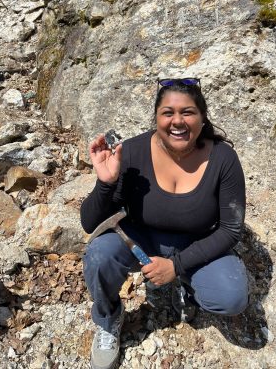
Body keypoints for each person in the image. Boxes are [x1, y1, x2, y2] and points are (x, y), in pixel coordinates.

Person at [81, 78, 249, 369]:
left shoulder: (224, 159)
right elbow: (89, 223)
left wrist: (177, 266)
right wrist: (105, 184)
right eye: (168, 113)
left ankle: (186, 285)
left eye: (188, 112)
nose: (178, 121)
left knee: (231, 296)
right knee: (99, 255)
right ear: (156, 117)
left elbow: (231, 229)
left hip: (198, 242)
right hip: (140, 239)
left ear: (202, 117)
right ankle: (108, 319)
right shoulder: (132, 152)